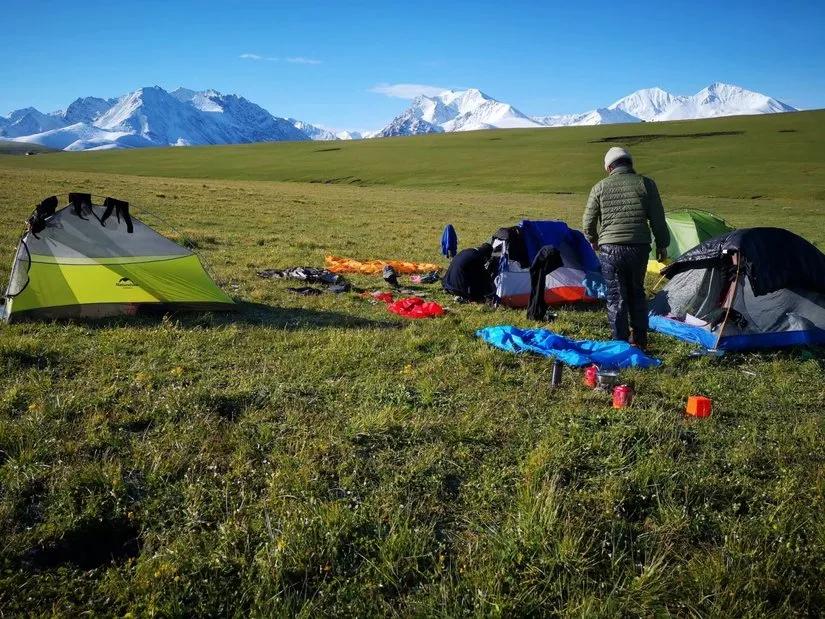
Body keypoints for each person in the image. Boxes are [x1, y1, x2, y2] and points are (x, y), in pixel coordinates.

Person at [582, 147, 669, 349]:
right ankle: (640, 341)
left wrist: (593, 239)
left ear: (610, 167)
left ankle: (620, 344)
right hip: (639, 248)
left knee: (615, 296)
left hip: (610, 249)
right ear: (629, 163)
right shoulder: (646, 184)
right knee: (637, 293)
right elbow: (658, 219)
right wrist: (663, 245)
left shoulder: (599, 187)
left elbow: (588, 222)